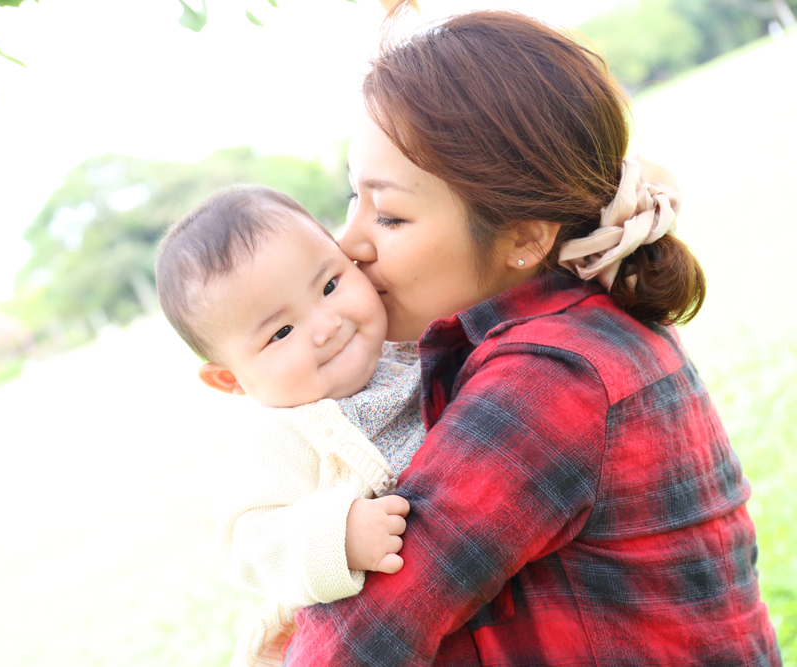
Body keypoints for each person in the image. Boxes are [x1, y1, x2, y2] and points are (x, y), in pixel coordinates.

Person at [282, 8, 782, 666]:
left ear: (524, 237)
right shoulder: (564, 332)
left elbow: (365, 633)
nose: (349, 244)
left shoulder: (552, 376)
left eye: (391, 214)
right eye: (354, 197)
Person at [154, 185, 424, 666]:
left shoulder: (408, 343)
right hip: (376, 638)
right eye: (281, 333)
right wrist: (338, 535)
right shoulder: (281, 435)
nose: (326, 325)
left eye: (329, 286)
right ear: (230, 379)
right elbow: (247, 543)